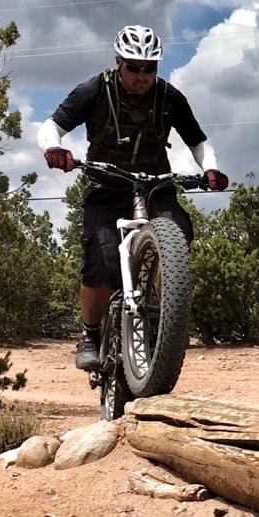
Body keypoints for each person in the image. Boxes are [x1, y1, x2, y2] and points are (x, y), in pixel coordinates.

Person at [36, 25, 228, 371]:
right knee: (102, 260)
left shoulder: (170, 97)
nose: (142, 76)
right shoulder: (95, 90)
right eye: (134, 68)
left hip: (156, 185)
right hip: (108, 187)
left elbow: (198, 141)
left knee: (177, 230)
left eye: (149, 69)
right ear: (119, 63)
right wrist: (54, 148)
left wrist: (211, 168)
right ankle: (90, 335)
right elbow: (52, 126)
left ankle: (167, 317)